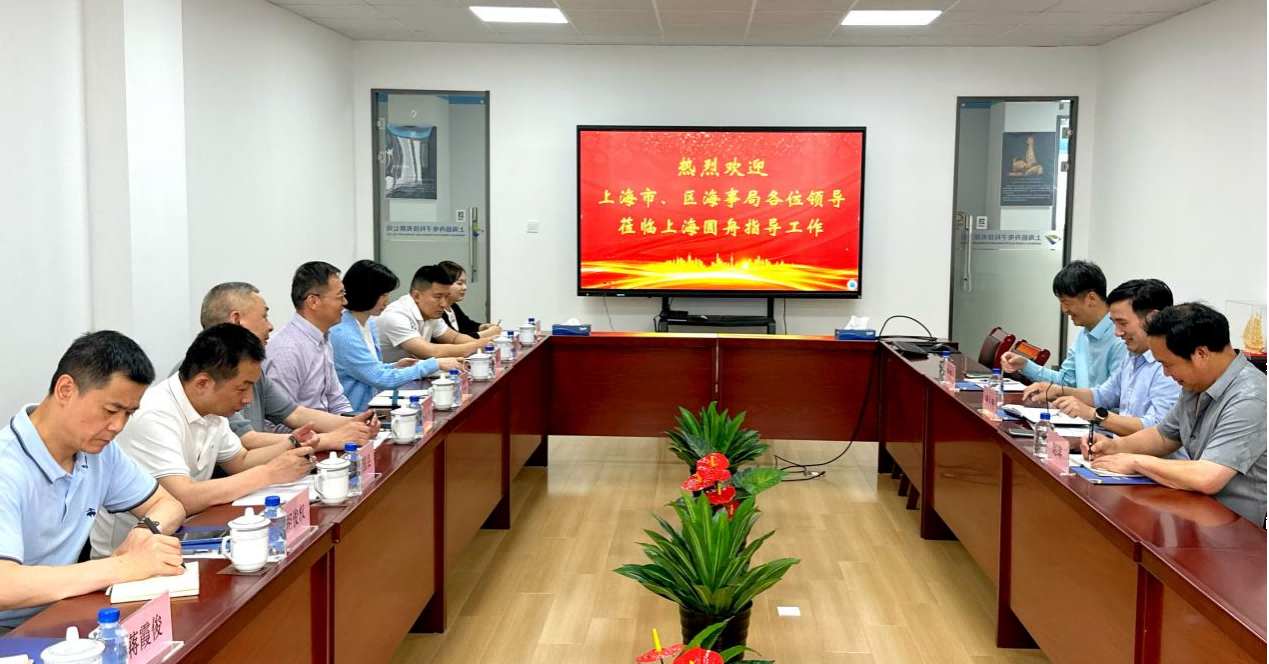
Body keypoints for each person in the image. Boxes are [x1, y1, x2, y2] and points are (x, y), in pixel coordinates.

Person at [1, 332, 187, 633]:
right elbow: (4, 585)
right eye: (111, 410)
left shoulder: (98, 452)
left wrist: (144, 532)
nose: (118, 426)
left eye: (128, 414)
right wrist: (123, 566)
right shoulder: (7, 467)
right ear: (65, 390)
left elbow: (168, 505)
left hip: (66, 610)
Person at [90, 324, 317, 557]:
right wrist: (269, 473)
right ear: (202, 383)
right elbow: (183, 497)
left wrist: (290, 445)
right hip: (124, 554)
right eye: (242, 388)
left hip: (186, 537)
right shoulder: (153, 413)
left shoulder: (211, 411)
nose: (249, 399)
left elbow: (240, 460)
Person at [1084, 303, 1266, 526]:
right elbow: (1164, 436)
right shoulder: (1197, 383)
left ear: (1201, 354)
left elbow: (1208, 476)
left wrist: (1136, 462)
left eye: (1168, 364)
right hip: (1194, 512)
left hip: (1237, 530)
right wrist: (1114, 447)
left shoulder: (1251, 397)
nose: (1165, 373)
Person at [199, 282, 373, 448]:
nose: (270, 326)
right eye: (264, 317)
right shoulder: (208, 374)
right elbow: (245, 440)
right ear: (237, 320)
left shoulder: (252, 371)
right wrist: (327, 439)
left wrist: (355, 424)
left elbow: (295, 414)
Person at [1050, 279, 1182, 439]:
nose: (1117, 333)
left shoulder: (1170, 367)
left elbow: (1158, 428)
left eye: (1122, 323)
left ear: (1152, 319)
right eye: (1114, 323)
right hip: (1120, 450)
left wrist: (1092, 414)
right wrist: (1058, 391)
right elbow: (1103, 395)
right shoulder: (1132, 357)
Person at [331, 260, 465, 411]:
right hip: (354, 413)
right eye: (383, 295)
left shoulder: (369, 322)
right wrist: (435, 364)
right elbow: (381, 379)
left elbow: (370, 369)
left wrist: (394, 366)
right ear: (366, 293)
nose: (387, 300)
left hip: (372, 408)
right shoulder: (344, 334)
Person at [1002, 260, 1128, 400]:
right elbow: (1066, 381)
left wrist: (1068, 397)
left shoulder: (1122, 339)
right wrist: (1024, 365)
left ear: (1091, 298)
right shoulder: (1084, 333)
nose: (1064, 310)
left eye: (1066, 302)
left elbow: (1115, 398)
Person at [264, 262, 360, 417]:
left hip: (327, 428)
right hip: (305, 431)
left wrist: (354, 422)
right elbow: (280, 420)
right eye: (340, 296)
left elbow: (336, 400)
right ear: (313, 302)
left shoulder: (323, 338)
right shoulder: (287, 350)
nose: (345, 302)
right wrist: (336, 427)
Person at [377, 264, 488, 365]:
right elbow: (431, 352)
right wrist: (477, 346)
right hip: (389, 378)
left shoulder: (430, 313)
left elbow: (454, 338)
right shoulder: (396, 316)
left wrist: (486, 345)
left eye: (446, 297)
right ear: (417, 296)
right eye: (438, 297)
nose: (443, 304)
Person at [435, 260, 502, 340]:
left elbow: (467, 325)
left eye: (465, 283)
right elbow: (455, 338)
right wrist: (485, 334)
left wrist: (482, 327)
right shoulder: (437, 311)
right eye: (460, 283)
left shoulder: (453, 306)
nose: (465, 287)